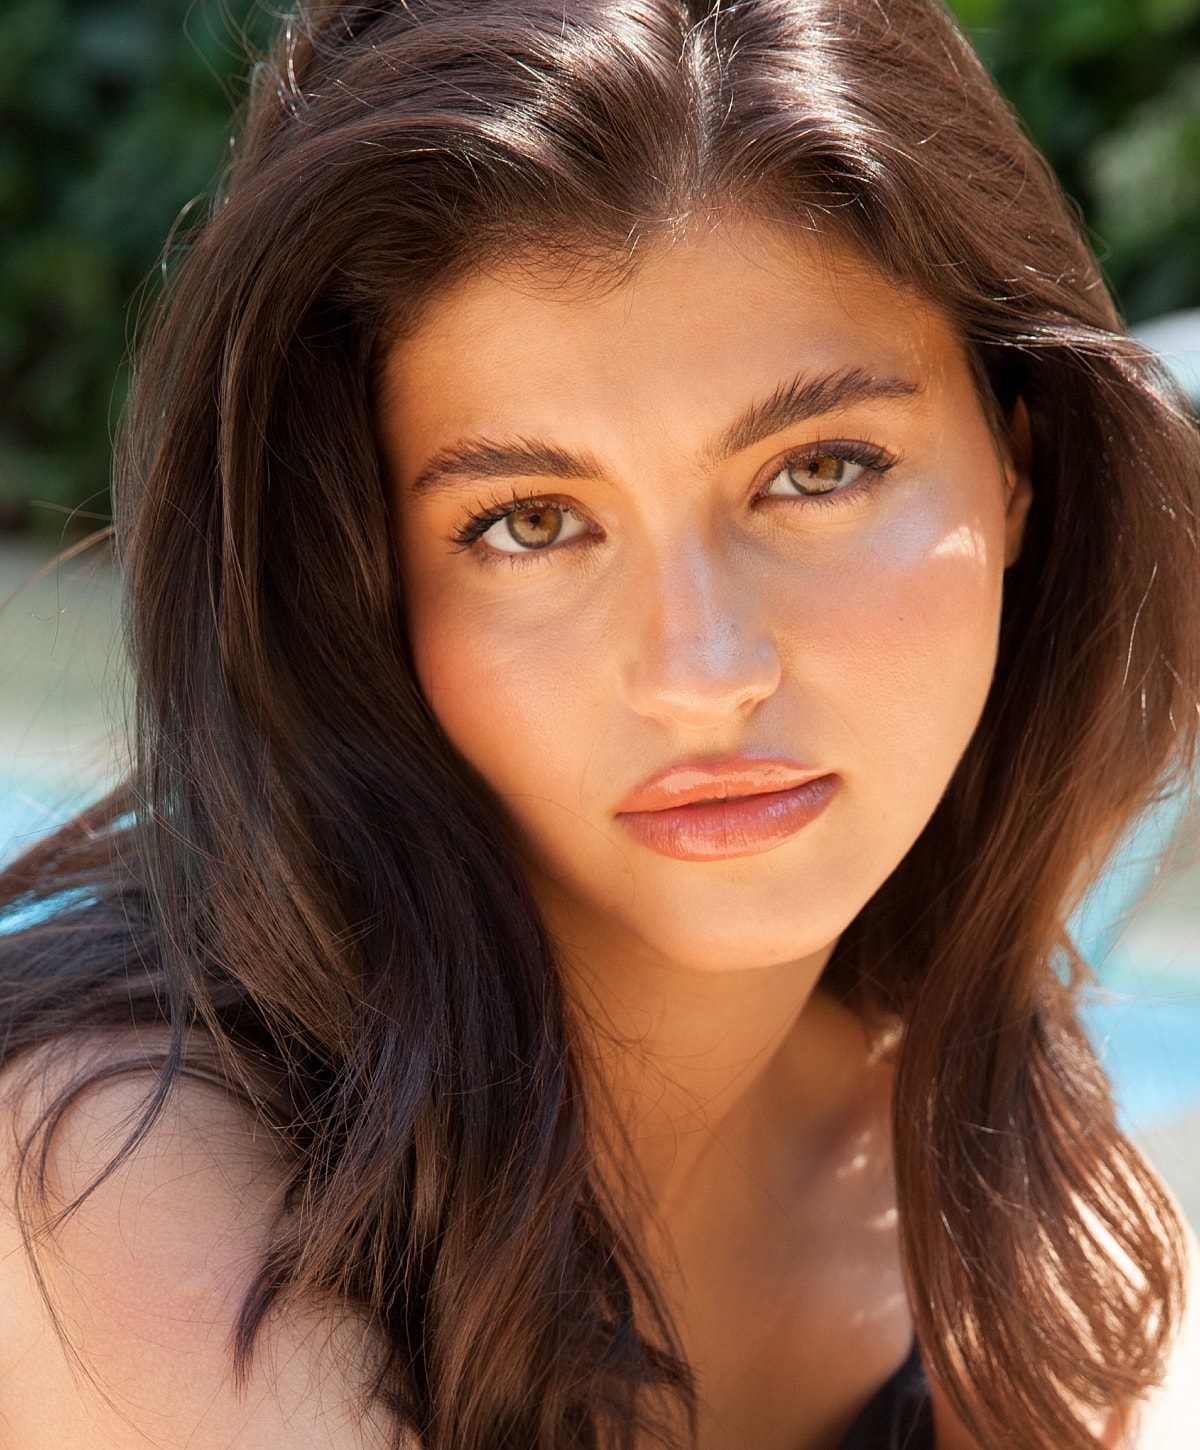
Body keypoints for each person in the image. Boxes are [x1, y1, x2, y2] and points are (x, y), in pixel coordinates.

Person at [0, 1, 1197, 1446]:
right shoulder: (116, 1178)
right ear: (359, 590)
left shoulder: (1016, 1205)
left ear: (1018, 466)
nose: (704, 670)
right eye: (531, 522)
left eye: (820, 468)